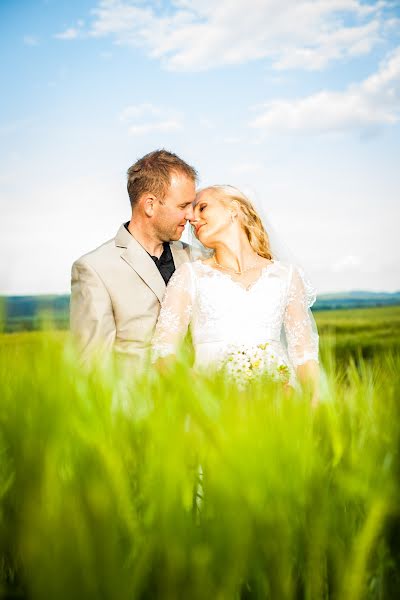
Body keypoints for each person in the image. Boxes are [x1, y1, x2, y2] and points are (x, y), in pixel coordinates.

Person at [152, 185, 320, 402]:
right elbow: (163, 354)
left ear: (234, 209)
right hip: (213, 408)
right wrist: (207, 391)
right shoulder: (191, 276)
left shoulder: (286, 276)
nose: (191, 218)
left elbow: (304, 355)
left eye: (202, 207)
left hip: (279, 405)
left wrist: (313, 401)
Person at [70, 149, 197, 367]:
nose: (191, 215)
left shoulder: (195, 258)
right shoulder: (94, 268)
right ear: (149, 205)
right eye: (183, 206)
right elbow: (92, 363)